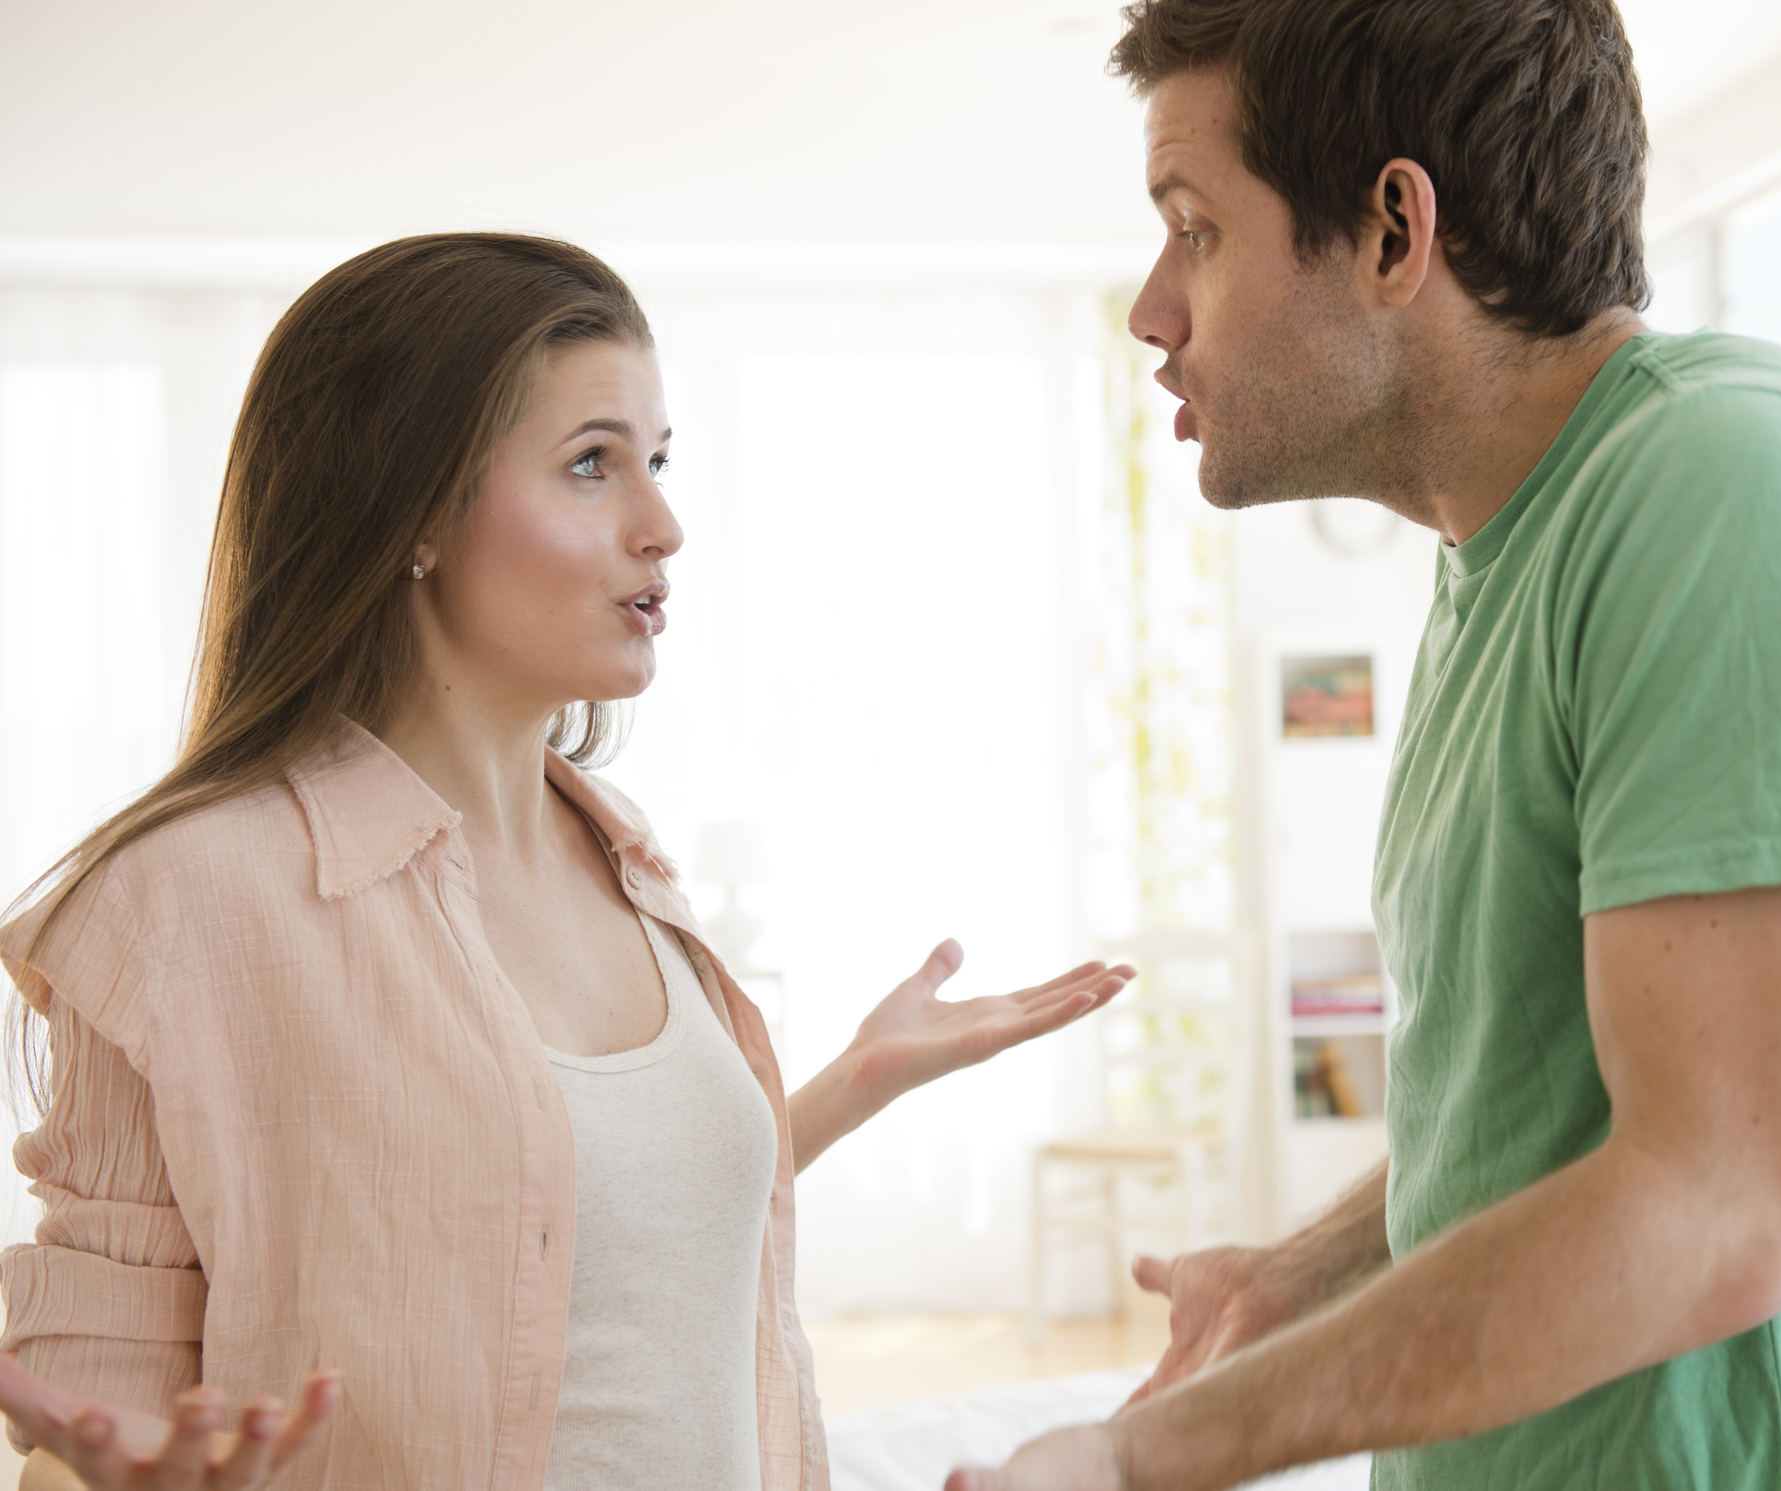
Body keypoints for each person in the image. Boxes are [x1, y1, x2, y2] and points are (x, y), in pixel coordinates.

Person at [952, 0, 1781, 1487]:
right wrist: (1294, 1273)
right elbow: (1543, 1105)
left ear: (1392, 230)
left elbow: (1711, 1198)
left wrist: (1146, 1455)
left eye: (1193, 229)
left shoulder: (1729, 492)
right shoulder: (1505, 554)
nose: (1150, 308)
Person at [0, 232, 1134, 1491]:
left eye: (655, 461)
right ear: (413, 509)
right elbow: (86, 1429)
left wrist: (844, 1086)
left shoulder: (623, 852)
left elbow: (562, 1227)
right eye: (592, 465)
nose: (664, 525)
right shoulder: (183, 902)